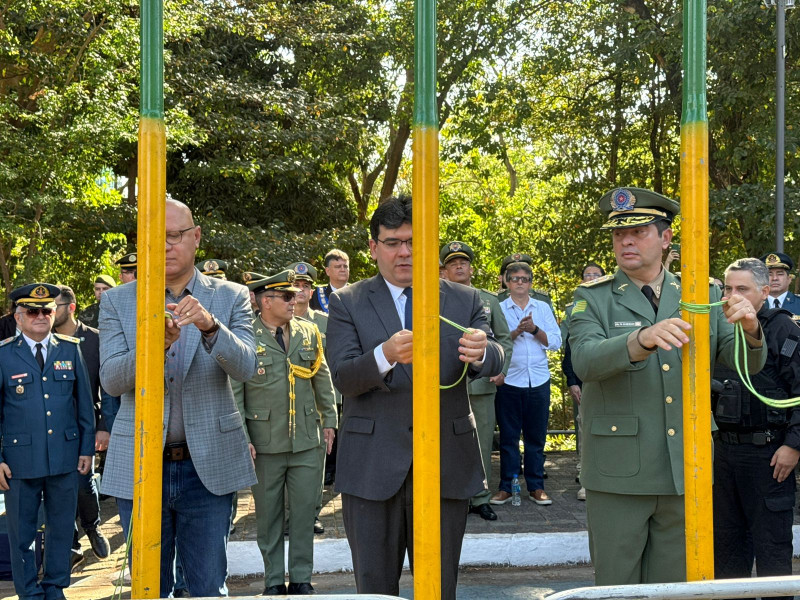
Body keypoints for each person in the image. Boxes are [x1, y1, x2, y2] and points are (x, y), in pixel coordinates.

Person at [569, 187, 767, 585]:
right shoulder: (593, 298)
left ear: (666, 238)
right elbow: (585, 361)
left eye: (639, 231)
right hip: (619, 472)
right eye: (618, 234)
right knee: (616, 587)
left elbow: (745, 363)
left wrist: (750, 327)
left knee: (676, 587)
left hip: (686, 467)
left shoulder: (702, 293)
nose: (626, 240)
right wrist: (640, 339)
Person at [326, 195, 504, 599]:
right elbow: (343, 377)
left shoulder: (464, 297)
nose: (404, 251)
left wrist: (483, 353)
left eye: (413, 241)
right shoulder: (347, 302)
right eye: (392, 242)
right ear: (373, 248)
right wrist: (384, 355)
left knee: (440, 587)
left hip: (445, 462)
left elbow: (494, 353)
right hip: (372, 468)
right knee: (374, 589)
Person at [99, 198, 258, 598]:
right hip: (140, 462)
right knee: (150, 587)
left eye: (175, 236)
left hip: (208, 466)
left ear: (196, 237)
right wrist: (151, 349)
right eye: (156, 237)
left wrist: (210, 327)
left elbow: (248, 367)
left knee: (207, 587)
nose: (167, 245)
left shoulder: (231, 295)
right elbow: (112, 380)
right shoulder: (119, 301)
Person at [233, 270, 337, 596]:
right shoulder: (245, 336)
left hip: (307, 438)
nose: (296, 300)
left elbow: (322, 378)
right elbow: (236, 390)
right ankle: (274, 581)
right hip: (264, 443)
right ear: (266, 301)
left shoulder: (309, 331)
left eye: (296, 295)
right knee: (269, 516)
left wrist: (331, 420)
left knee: (306, 512)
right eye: (287, 296)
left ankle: (302, 579)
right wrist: (243, 436)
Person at [0, 282, 95, 600]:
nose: (40, 316)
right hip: (19, 461)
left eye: (47, 310)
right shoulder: (3, 355)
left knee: (60, 527)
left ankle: (55, 587)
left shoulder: (70, 349)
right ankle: (28, 591)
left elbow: (84, 404)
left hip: (65, 456)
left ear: (55, 314)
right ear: (19, 317)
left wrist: (86, 450)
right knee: (22, 532)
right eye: (32, 311)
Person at [713, 258, 800, 594]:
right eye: (728, 288)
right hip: (724, 455)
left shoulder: (783, 329)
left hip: (769, 456)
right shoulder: (719, 327)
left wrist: (793, 445)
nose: (733, 296)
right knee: (726, 551)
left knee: (771, 552)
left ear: (764, 292)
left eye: (742, 289)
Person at [440, 241, 513, 521]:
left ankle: (480, 497)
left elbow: (503, 339)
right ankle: (452, 496)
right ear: (444, 270)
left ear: (471, 267)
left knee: (481, 442)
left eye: (463, 262)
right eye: (452, 263)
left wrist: (500, 367)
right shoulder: (433, 299)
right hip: (447, 385)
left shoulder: (488, 300)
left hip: (481, 386)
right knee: (446, 443)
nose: (459, 266)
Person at [490, 261, 561, 506]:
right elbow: (494, 343)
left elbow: (555, 341)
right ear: (506, 282)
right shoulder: (497, 308)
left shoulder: (541, 307)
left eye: (525, 279)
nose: (520, 282)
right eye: (515, 278)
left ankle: (536, 487)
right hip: (509, 379)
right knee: (509, 438)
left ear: (531, 283)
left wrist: (533, 329)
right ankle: (507, 487)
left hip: (538, 379)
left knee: (536, 438)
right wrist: (517, 331)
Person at [52, 286, 112, 569]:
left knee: (82, 483)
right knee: (56, 488)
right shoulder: (45, 340)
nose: (49, 312)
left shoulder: (94, 340)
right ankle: (71, 544)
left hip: (86, 426)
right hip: (53, 428)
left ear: (71, 307)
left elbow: (108, 388)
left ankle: (92, 525)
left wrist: (103, 426)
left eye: (56, 305)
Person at [288, 261, 337, 531]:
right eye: (296, 285)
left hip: (316, 403)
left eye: (306, 286)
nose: (300, 291)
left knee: (315, 464)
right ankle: (285, 515)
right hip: (284, 403)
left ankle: (311, 514)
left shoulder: (324, 322)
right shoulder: (273, 322)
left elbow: (331, 365)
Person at [560, 262, 605, 501]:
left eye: (596, 275)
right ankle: (587, 479)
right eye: (587, 275)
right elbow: (572, 350)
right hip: (586, 381)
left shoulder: (614, 303)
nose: (591, 279)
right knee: (586, 429)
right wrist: (572, 381)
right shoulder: (578, 308)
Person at [310, 249, 349, 313]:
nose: (343, 269)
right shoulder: (315, 296)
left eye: (345, 266)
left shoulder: (357, 294)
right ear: (328, 271)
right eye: (338, 267)